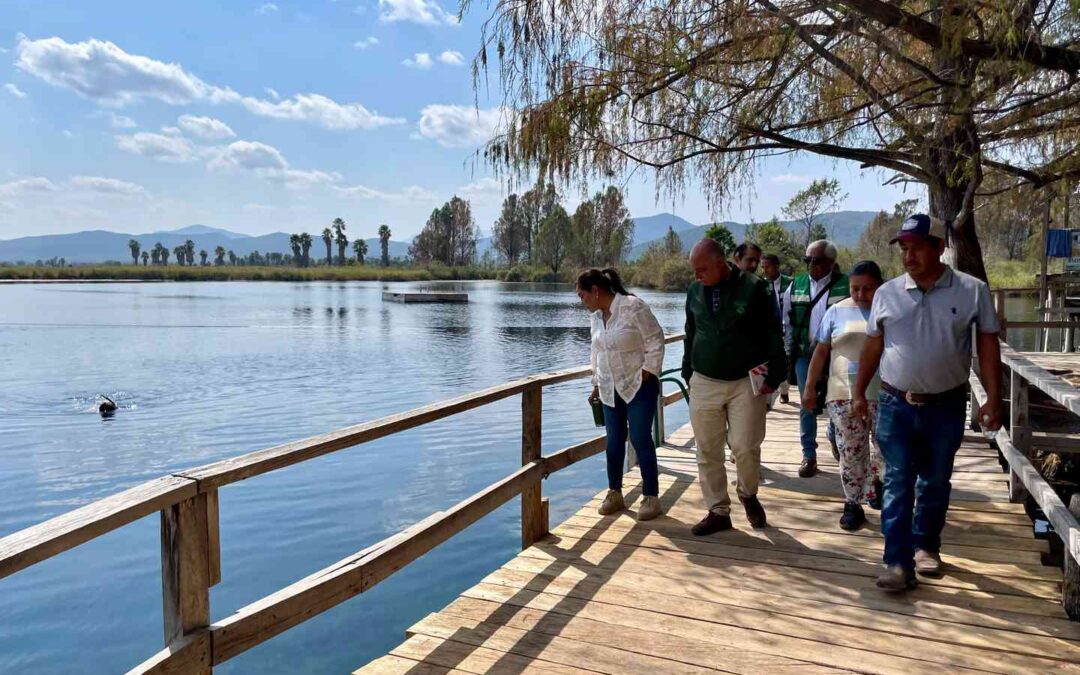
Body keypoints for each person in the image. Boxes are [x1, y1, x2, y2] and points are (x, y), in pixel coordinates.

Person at [852, 214, 1002, 592]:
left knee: (935, 481)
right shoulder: (886, 293)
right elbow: (873, 345)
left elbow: (987, 344)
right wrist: (858, 391)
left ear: (939, 247)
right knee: (898, 480)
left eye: (917, 246)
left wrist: (994, 399)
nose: (909, 255)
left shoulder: (971, 290)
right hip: (895, 403)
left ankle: (926, 546)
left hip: (945, 405)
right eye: (903, 248)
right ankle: (897, 561)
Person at [683, 239, 787, 534]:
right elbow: (691, 332)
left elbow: (772, 332)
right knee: (707, 449)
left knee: (744, 446)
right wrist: (687, 370)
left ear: (721, 263)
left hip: (745, 380)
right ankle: (718, 510)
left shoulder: (755, 287)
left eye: (702, 269)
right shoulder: (693, 292)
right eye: (694, 270)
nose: (697, 275)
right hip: (704, 379)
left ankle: (747, 493)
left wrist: (776, 372)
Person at [801, 260, 885, 531]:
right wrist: (809, 387)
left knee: (885, 449)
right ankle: (852, 503)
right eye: (855, 289)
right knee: (851, 450)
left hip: (885, 391)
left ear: (880, 286)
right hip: (842, 393)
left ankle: (878, 486)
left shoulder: (889, 311)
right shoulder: (836, 312)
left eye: (868, 289)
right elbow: (821, 352)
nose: (860, 295)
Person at [579, 268, 666, 522]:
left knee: (640, 437)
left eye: (582, 295)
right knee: (613, 441)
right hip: (609, 388)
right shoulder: (596, 317)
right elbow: (596, 354)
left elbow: (655, 339)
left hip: (639, 385)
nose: (581, 301)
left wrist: (648, 371)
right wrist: (595, 383)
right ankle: (615, 493)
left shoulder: (633, 306)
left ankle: (651, 496)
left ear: (596, 291)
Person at [783, 239, 848, 477]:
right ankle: (809, 455)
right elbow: (787, 321)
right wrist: (789, 352)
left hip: (839, 355)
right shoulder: (795, 285)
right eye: (807, 260)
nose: (811, 265)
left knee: (837, 402)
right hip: (804, 354)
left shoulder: (847, 284)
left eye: (816, 260)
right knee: (806, 402)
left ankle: (835, 435)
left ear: (831, 262)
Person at [760, 253, 792, 404]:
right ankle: (767, 400)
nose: (764, 270)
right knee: (767, 363)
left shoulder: (791, 283)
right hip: (768, 332)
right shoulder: (761, 285)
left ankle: (784, 390)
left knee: (782, 362)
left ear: (777, 266)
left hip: (787, 330)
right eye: (763, 267)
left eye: (768, 267)